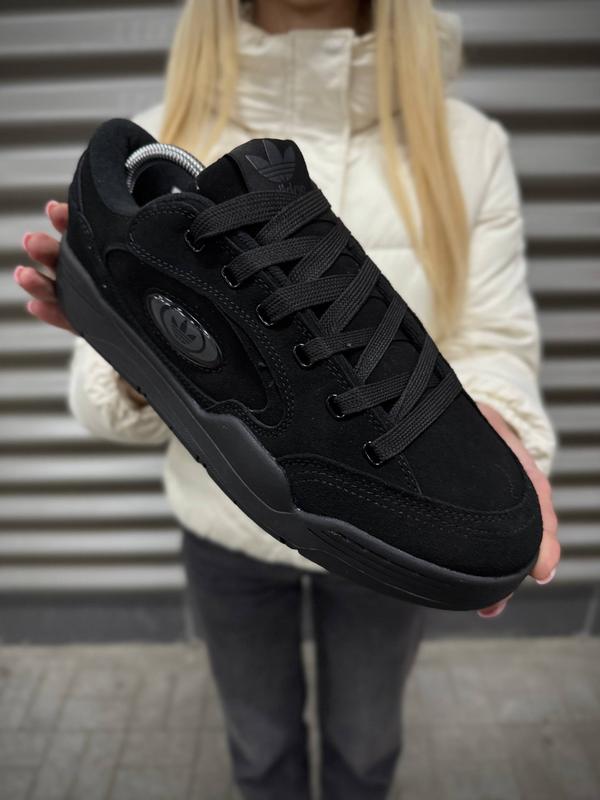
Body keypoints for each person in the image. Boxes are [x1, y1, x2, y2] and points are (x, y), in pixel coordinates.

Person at [14, 1, 560, 798]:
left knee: (365, 753)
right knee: (261, 751)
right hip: (222, 529)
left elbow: (493, 335)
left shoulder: (468, 142)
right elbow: (94, 411)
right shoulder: (168, 128)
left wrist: (499, 418)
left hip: (388, 529)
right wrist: (142, 353)